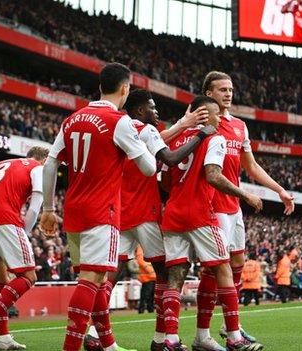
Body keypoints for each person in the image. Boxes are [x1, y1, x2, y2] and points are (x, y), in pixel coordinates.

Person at [40, 63, 161, 351]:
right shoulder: (120, 121)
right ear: (125, 89)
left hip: (73, 210)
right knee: (91, 282)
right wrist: (141, 143)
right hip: (102, 212)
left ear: (99, 87)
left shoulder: (72, 119)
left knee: (93, 280)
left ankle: (108, 344)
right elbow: (148, 168)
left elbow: (50, 163)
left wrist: (47, 208)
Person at [83, 89, 213, 351]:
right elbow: (171, 158)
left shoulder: (119, 128)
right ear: (141, 111)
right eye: (153, 108)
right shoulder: (146, 129)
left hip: (120, 212)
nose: (157, 112)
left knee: (111, 276)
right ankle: (161, 339)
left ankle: (93, 333)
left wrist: (181, 126)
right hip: (145, 213)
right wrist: (201, 134)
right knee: (168, 271)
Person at [195, 71, 294, 349]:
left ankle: (230, 327)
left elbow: (250, 166)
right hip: (211, 205)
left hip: (233, 208)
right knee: (214, 270)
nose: (228, 93)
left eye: (230, 88)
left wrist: (279, 190)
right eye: (222, 89)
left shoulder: (239, 126)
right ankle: (205, 334)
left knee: (237, 264)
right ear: (209, 93)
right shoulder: (201, 122)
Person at [159, 95, 264, 351]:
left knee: (175, 277)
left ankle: (170, 339)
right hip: (200, 215)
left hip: (173, 214)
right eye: (217, 114)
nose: (221, 119)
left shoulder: (175, 138)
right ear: (205, 115)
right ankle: (234, 336)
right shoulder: (214, 138)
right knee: (223, 269)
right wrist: (245, 194)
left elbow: (164, 182)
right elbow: (214, 176)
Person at [0, 146, 49, 350]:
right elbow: (37, 201)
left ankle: (4, 338)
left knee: (1, 280)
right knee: (28, 276)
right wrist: (26, 231)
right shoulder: (37, 167)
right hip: (6, 219)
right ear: (43, 159)